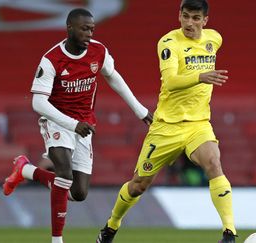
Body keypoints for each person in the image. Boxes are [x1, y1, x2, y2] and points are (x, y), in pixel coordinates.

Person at [2, 8, 152, 243]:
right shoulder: (51, 60)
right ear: (69, 28)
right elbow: (38, 102)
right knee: (63, 172)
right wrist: (72, 124)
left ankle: (26, 170)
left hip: (84, 125)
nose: (89, 34)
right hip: (57, 121)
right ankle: (57, 239)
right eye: (84, 29)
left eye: (92, 29)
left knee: (78, 193)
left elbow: (113, 76)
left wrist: (139, 109)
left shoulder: (98, 51)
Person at [96, 1, 237, 243]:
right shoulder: (169, 43)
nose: (189, 23)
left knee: (214, 162)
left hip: (198, 124)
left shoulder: (215, 39)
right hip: (166, 127)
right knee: (138, 185)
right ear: (179, 16)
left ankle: (229, 232)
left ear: (205, 21)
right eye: (185, 16)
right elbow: (171, 81)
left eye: (195, 18)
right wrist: (201, 76)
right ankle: (111, 226)